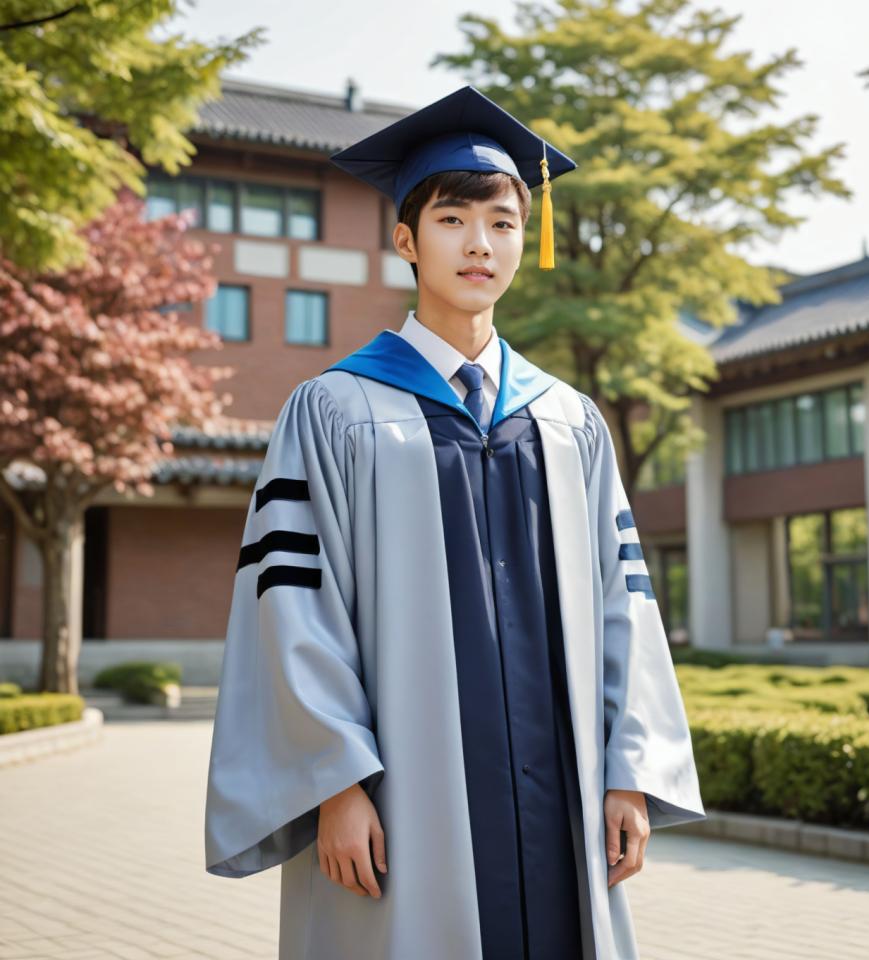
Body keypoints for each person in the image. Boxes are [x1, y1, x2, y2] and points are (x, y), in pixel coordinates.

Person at [204, 83, 706, 960]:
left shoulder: (570, 420)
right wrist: (336, 783)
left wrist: (629, 771)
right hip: (400, 804)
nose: (481, 243)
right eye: (452, 220)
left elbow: (625, 601)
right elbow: (292, 606)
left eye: (504, 222)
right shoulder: (331, 411)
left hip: (561, 798)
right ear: (405, 238)